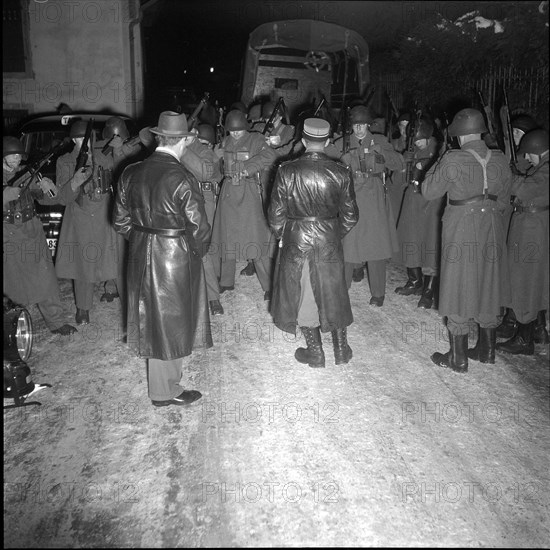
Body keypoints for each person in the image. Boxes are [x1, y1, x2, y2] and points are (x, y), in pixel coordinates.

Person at [114, 111, 212, 407]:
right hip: (175, 257)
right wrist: (192, 251)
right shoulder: (183, 177)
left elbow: (120, 221)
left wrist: (145, 239)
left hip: (141, 253)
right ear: (182, 140)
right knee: (171, 323)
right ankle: (165, 391)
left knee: (155, 321)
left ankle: (165, 386)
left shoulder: (130, 172)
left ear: (158, 138)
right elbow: (200, 231)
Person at [422, 108, 512, 373]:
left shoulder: (453, 158)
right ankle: (487, 350)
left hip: (461, 227)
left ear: (458, 135)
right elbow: (505, 202)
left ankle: (458, 358)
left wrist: (437, 163)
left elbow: (429, 191)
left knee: (459, 283)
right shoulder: (500, 158)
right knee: (488, 281)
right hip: (493, 226)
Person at [268, 118, 359, 368]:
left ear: (303, 140)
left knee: (305, 291)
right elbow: (351, 216)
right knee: (334, 290)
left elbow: (275, 215)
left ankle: (316, 352)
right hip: (328, 235)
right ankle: (341, 349)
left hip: (297, 237)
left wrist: (283, 235)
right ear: (328, 141)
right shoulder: (341, 171)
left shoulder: (286, 170)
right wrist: (332, 233)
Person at [3, 136, 76, 335]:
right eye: (12, 156)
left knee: (46, 278)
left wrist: (48, 188)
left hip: (31, 229)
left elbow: (49, 200)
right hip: (8, 232)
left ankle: (56, 322)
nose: (17, 159)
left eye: (19, 155)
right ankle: (14, 324)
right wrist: (6, 194)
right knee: (11, 281)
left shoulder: (27, 173)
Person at [54, 120, 121, 325]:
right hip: (80, 214)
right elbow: (62, 198)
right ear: (73, 139)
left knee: (114, 257)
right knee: (83, 264)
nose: (84, 142)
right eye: (79, 138)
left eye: (87, 138)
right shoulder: (64, 161)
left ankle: (122, 296)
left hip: (104, 211)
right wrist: (74, 182)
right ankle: (83, 308)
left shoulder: (104, 156)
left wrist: (118, 151)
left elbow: (119, 176)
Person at [340, 105, 404, 306]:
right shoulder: (341, 142)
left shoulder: (381, 141)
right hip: (350, 195)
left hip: (374, 196)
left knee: (375, 245)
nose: (359, 129)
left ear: (369, 125)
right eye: (355, 125)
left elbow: (399, 163)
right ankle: (341, 290)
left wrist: (381, 155)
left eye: (362, 125)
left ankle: (378, 293)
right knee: (348, 243)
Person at [211, 109, 278, 300]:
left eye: (238, 130)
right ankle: (226, 281)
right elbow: (216, 169)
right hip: (228, 192)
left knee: (255, 239)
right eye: (232, 131)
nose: (235, 133)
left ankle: (268, 286)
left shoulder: (256, 140)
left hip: (248, 193)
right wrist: (215, 158)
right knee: (227, 238)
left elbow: (270, 156)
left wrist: (248, 168)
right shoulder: (225, 142)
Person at [496, 129, 549, 354]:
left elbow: (524, 187)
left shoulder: (546, 170)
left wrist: (509, 174)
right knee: (529, 280)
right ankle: (531, 331)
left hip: (532, 228)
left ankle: (524, 338)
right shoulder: (541, 167)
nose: (527, 157)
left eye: (529, 153)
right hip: (530, 224)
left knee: (526, 281)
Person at [395, 117, 444, 309]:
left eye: (420, 139)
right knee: (410, 240)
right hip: (413, 201)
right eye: (415, 140)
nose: (417, 143)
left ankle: (428, 291)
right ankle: (414, 281)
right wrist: (403, 164)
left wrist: (422, 164)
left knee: (429, 245)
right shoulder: (410, 150)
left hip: (430, 204)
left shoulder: (439, 150)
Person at [180, 123, 225, 316]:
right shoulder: (172, 147)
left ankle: (213, 297)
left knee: (203, 247)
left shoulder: (204, 151)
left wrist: (182, 149)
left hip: (202, 201)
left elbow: (205, 171)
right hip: (178, 200)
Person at [98, 116, 143, 305]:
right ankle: (110, 285)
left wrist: (118, 150)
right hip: (107, 201)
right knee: (110, 248)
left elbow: (124, 173)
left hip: (127, 204)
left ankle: (128, 289)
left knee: (125, 248)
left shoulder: (134, 149)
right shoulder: (100, 150)